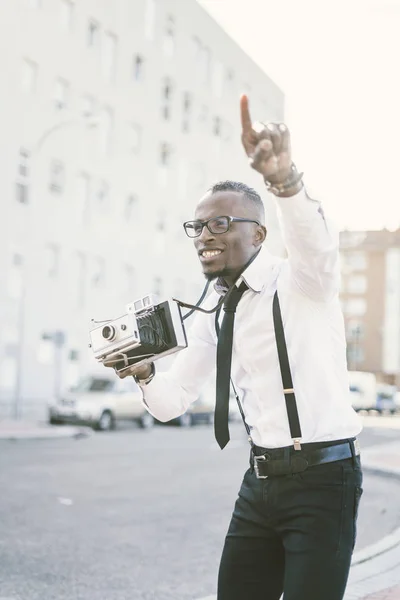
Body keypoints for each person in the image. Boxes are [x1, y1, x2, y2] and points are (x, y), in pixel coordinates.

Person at [106, 95, 363, 600]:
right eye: (198, 226)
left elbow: (316, 244)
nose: (204, 234)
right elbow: (172, 402)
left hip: (323, 480)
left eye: (220, 224)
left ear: (259, 234)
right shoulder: (214, 311)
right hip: (259, 480)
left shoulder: (301, 283)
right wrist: (142, 372)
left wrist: (283, 179)